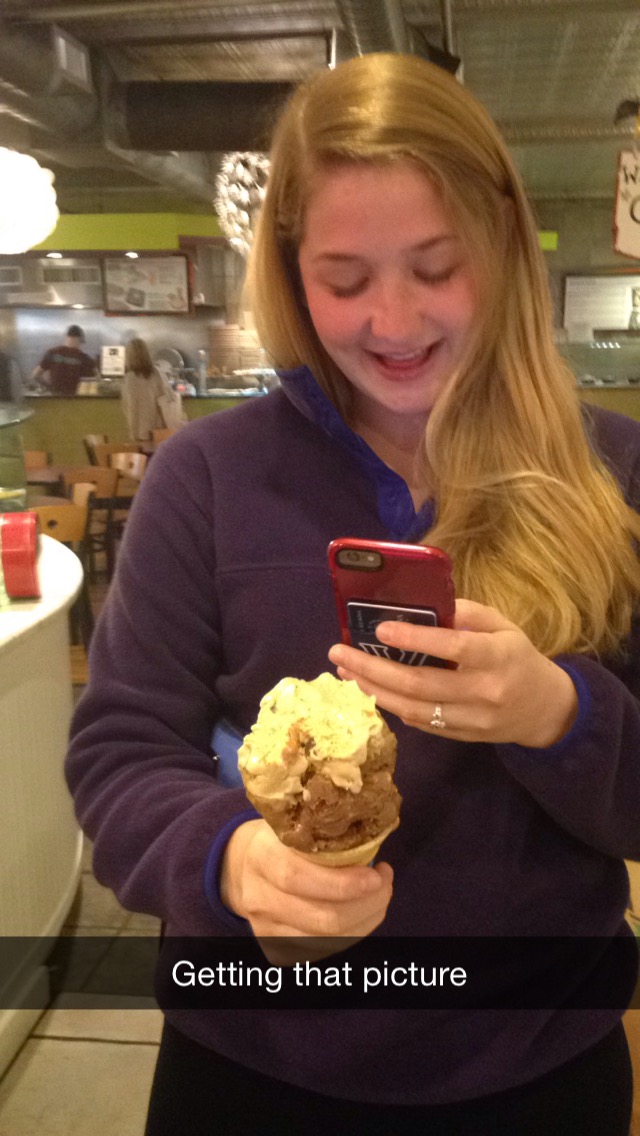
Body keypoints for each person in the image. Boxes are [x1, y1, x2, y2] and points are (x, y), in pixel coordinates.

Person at [65, 53, 639, 1135]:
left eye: (436, 266)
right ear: (290, 277)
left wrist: (560, 714)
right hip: (250, 1066)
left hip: (537, 1069)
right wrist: (229, 858)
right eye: (344, 279)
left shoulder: (617, 473)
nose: (394, 321)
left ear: (503, 247)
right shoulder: (207, 478)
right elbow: (119, 756)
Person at [121, 336, 180, 440]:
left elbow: (132, 408)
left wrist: (133, 433)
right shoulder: (157, 372)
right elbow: (168, 397)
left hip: (141, 430)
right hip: (160, 428)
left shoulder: (130, 378)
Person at [31, 324, 97, 395]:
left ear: (67, 338)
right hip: (75, 399)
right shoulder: (84, 358)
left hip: (54, 398)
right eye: (81, 343)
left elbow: (35, 375)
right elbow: (96, 380)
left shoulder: (52, 353)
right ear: (79, 339)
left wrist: (49, 387)